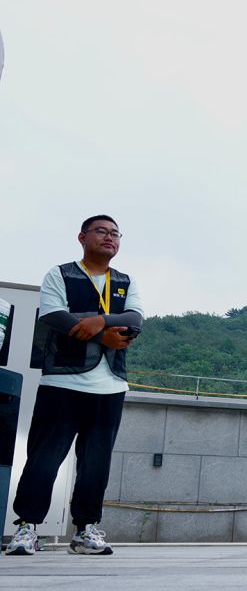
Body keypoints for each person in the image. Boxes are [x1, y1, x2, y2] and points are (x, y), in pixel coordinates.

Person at [5, 215, 143, 555]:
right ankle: (27, 527)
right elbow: (54, 315)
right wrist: (103, 332)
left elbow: (134, 318)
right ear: (82, 237)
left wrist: (100, 319)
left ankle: (85, 530)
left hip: (109, 385)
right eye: (101, 231)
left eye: (115, 233)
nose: (109, 237)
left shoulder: (124, 281)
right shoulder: (61, 274)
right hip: (63, 380)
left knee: (96, 462)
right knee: (44, 457)